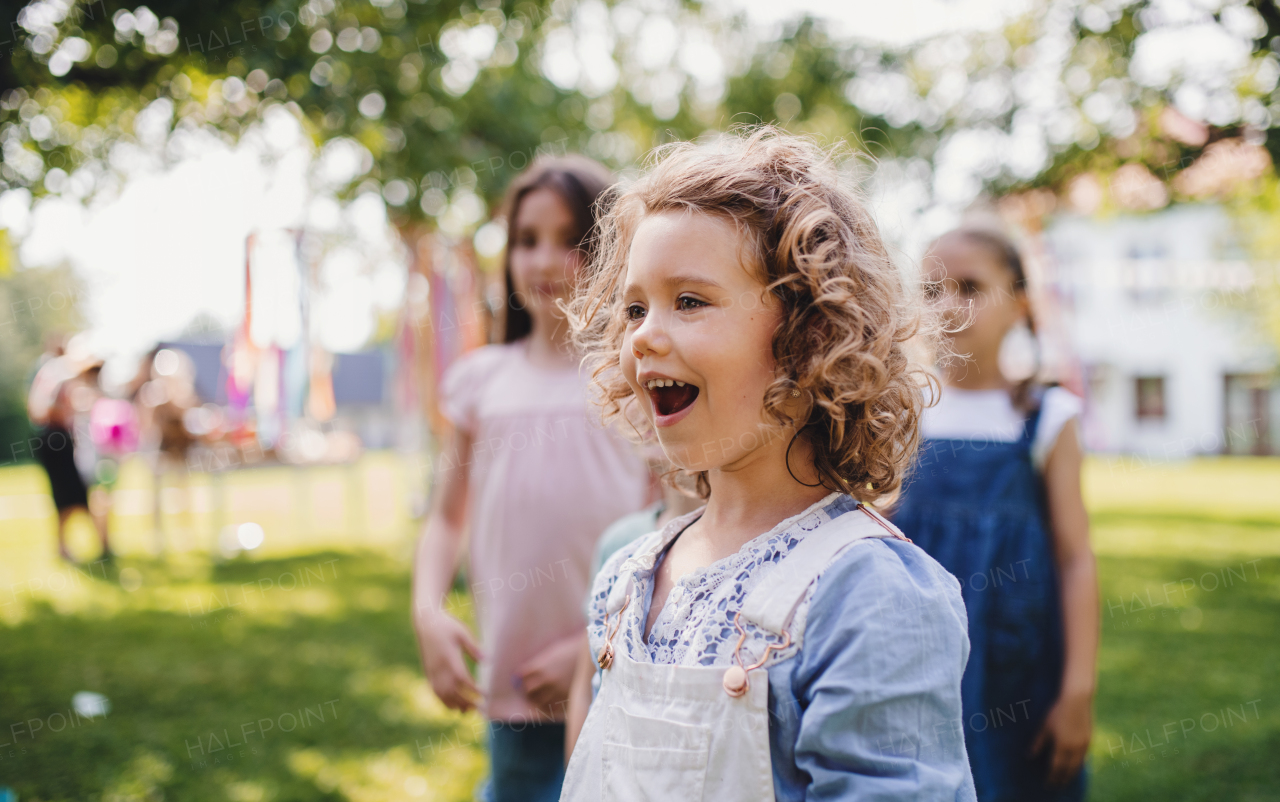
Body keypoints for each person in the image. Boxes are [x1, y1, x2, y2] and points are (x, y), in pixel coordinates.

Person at [561, 128, 975, 800]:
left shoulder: (868, 594)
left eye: (689, 301)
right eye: (634, 308)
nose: (643, 335)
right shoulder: (626, 580)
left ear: (810, 332)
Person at [411, 155, 651, 802]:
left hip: (619, 672)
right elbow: (444, 517)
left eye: (570, 241)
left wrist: (589, 645)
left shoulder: (636, 384)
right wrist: (428, 612)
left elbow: (670, 534)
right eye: (526, 240)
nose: (545, 260)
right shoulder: (479, 382)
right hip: (514, 679)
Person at [890, 227, 1097, 801]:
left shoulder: (1046, 416)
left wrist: (1077, 690)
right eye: (931, 290)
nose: (949, 304)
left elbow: (1075, 558)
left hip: (1016, 662)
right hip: (914, 653)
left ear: (1020, 303)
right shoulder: (901, 412)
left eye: (971, 287)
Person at [27, 340, 113, 563]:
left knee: (67, 496)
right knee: (71, 494)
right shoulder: (62, 374)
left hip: (58, 440)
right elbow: (42, 410)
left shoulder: (55, 372)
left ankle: (75, 546)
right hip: (56, 440)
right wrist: (71, 410)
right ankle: (100, 545)